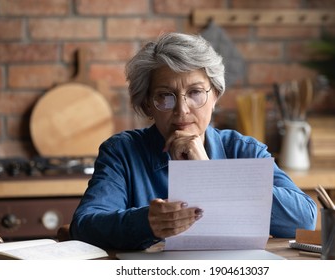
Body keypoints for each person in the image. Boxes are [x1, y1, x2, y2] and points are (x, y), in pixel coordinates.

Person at [70, 32, 317, 250]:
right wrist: (147, 223)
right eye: (165, 96)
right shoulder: (122, 152)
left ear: (215, 96)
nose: (182, 110)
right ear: (147, 105)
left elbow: (303, 219)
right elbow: (84, 226)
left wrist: (211, 173)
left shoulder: (243, 149)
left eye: (196, 93)